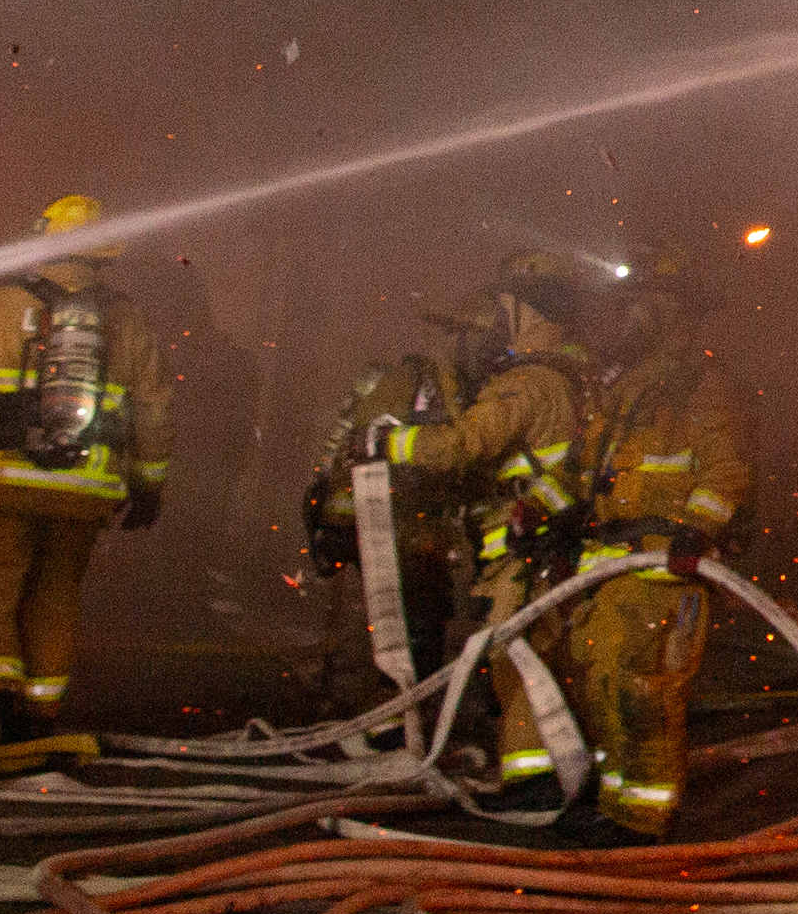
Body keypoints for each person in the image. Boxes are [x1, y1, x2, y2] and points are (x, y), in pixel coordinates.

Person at [0, 195, 173, 746]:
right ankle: (39, 717)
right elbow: (154, 408)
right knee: (54, 597)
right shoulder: (128, 321)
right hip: (84, 488)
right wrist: (149, 484)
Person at [371, 256, 602, 814]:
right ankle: (556, 772)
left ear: (528, 313)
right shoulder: (578, 380)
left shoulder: (526, 384)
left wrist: (391, 443)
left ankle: (534, 783)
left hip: (525, 552)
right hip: (556, 543)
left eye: (505, 309)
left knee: (514, 659)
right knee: (541, 658)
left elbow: (462, 445)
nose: (496, 323)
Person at [556, 248, 757, 839]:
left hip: (663, 571)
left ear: (674, 310)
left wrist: (695, 531)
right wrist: (561, 515)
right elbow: (593, 467)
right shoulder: (624, 386)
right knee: (600, 686)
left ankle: (643, 818)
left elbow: (727, 470)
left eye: (644, 302)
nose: (631, 314)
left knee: (643, 696)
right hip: (609, 569)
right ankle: (611, 801)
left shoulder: (701, 384)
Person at [305, 318, 471, 714]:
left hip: (392, 526)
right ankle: (391, 713)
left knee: (402, 621)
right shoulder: (418, 383)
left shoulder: (427, 383)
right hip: (396, 527)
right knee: (407, 622)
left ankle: (386, 708)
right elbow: (358, 450)